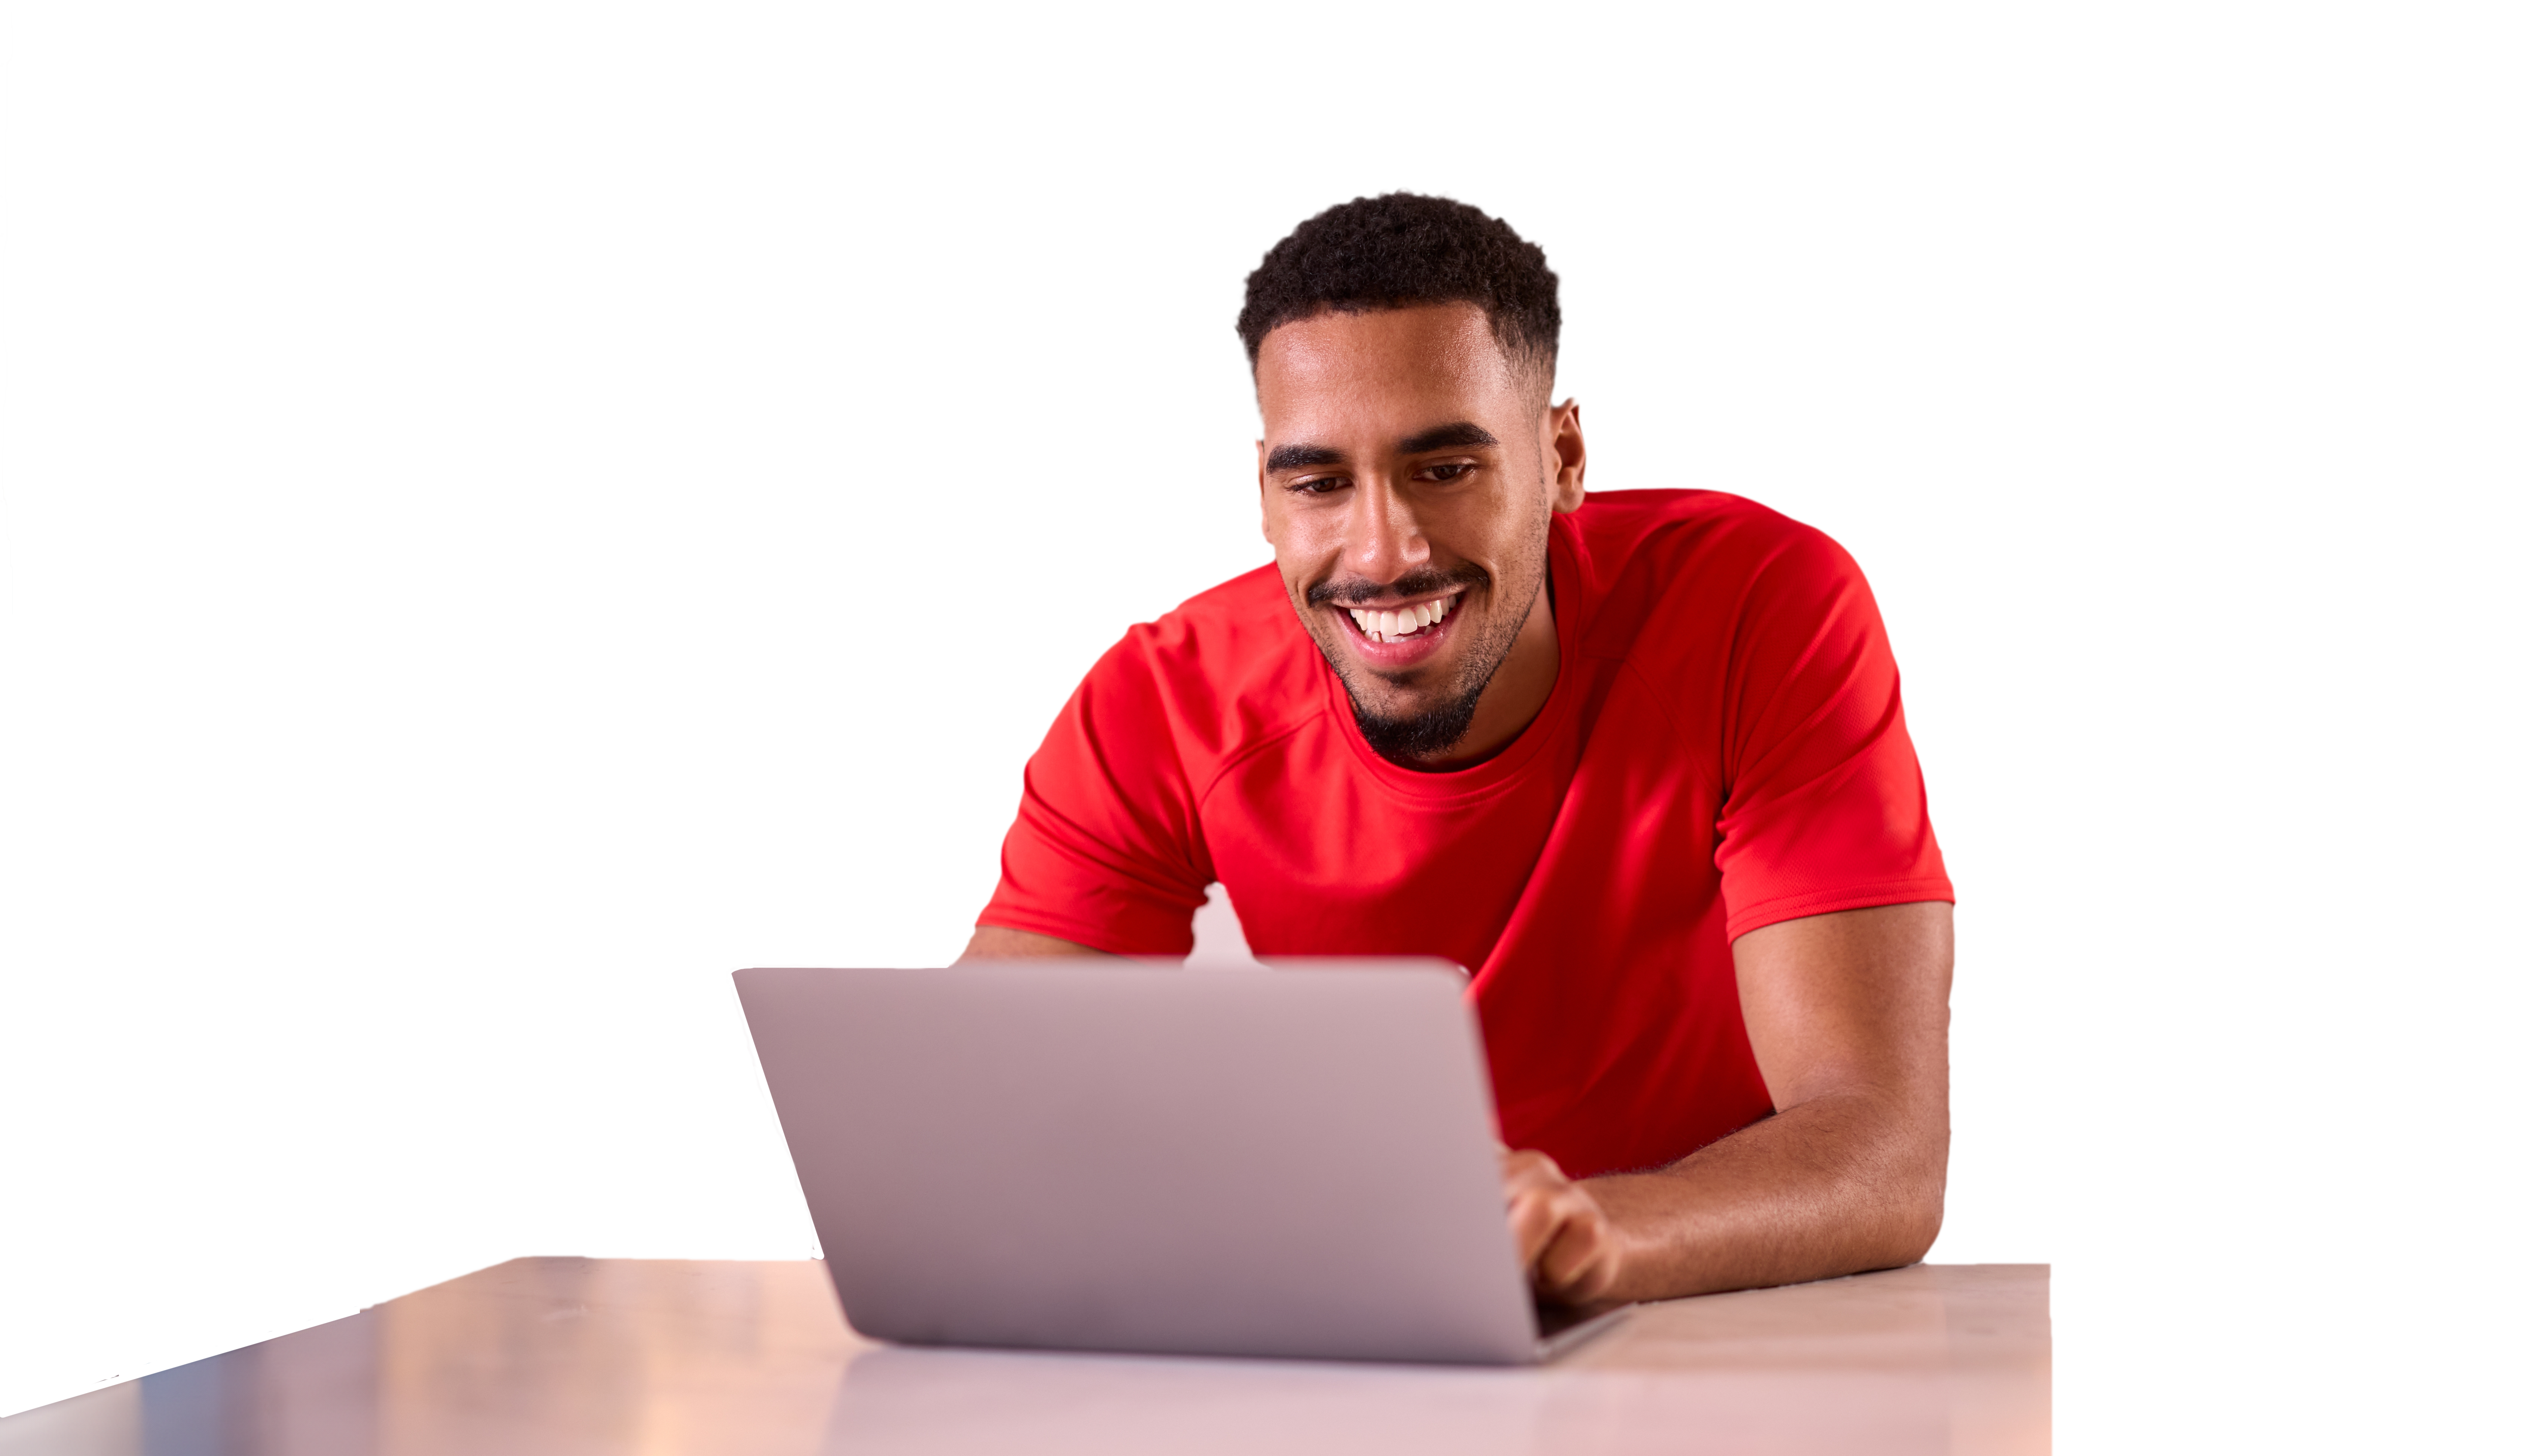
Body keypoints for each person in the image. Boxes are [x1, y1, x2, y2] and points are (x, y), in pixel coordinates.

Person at [961, 188, 1958, 1307]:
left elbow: (1882, 1147)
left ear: (1564, 454)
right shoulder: (1159, 699)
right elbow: (978, 1128)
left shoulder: (1762, 606)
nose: (1385, 553)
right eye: (1320, 482)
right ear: (1262, 490)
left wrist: (1594, 1232)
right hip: (1364, 1324)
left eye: (1446, 468)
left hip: (1718, 1317)